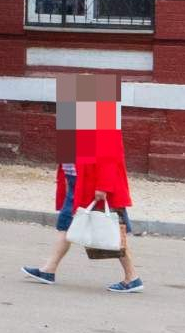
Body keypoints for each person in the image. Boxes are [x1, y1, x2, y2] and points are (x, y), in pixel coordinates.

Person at [22, 73, 143, 293]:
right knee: (67, 227)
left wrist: (103, 186)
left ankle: (132, 277)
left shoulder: (103, 115)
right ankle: (49, 269)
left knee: (112, 232)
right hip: (76, 184)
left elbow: (110, 155)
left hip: (92, 186)